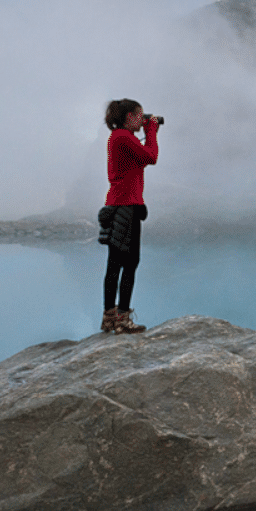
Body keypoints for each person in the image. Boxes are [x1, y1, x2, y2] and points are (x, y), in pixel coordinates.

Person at [98, 98, 159, 334]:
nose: (142, 120)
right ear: (128, 117)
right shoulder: (123, 137)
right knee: (130, 263)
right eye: (139, 115)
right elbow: (151, 157)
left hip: (119, 203)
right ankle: (122, 318)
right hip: (127, 207)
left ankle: (109, 317)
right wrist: (151, 131)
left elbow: (140, 159)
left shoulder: (119, 138)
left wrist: (144, 133)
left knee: (114, 264)